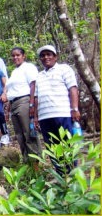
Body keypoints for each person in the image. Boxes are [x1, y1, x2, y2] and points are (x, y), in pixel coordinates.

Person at [34, 45, 80, 174]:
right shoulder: (39, 76)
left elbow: (73, 89)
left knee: (67, 144)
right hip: (44, 117)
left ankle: (72, 173)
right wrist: (36, 117)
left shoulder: (64, 69)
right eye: (43, 55)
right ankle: (61, 174)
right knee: (52, 147)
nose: (46, 57)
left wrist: (74, 109)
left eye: (49, 54)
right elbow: (36, 97)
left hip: (62, 113)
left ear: (55, 57)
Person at [6, 47, 41, 163]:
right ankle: (27, 162)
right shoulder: (14, 71)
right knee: (19, 135)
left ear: (23, 56)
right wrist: (9, 108)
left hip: (25, 101)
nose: (15, 57)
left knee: (29, 133)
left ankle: (36, 162)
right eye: (13, 56)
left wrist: (32, 104)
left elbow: (33, 85)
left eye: (18, 55)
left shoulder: (28, 67)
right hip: (14, 104)